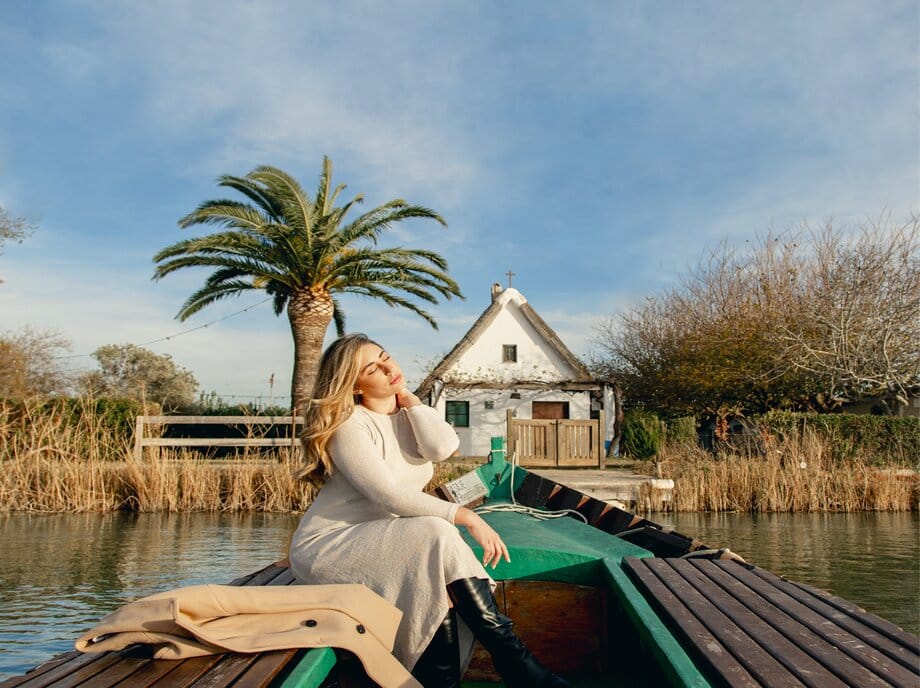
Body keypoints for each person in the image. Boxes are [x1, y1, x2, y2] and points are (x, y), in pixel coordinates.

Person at [289, 333, 568, 688]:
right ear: (355, 386)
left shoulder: (407, 414)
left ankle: (460, 677)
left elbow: (443, 446)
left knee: (435, 570)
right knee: (437, 532)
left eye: (386, 356)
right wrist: (465, 515)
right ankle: (516, 662)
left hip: (385, 539)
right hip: (330, 546)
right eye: (374, 368)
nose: (390, 368)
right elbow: (388, 495)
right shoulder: (350, 426)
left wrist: (412, 402)